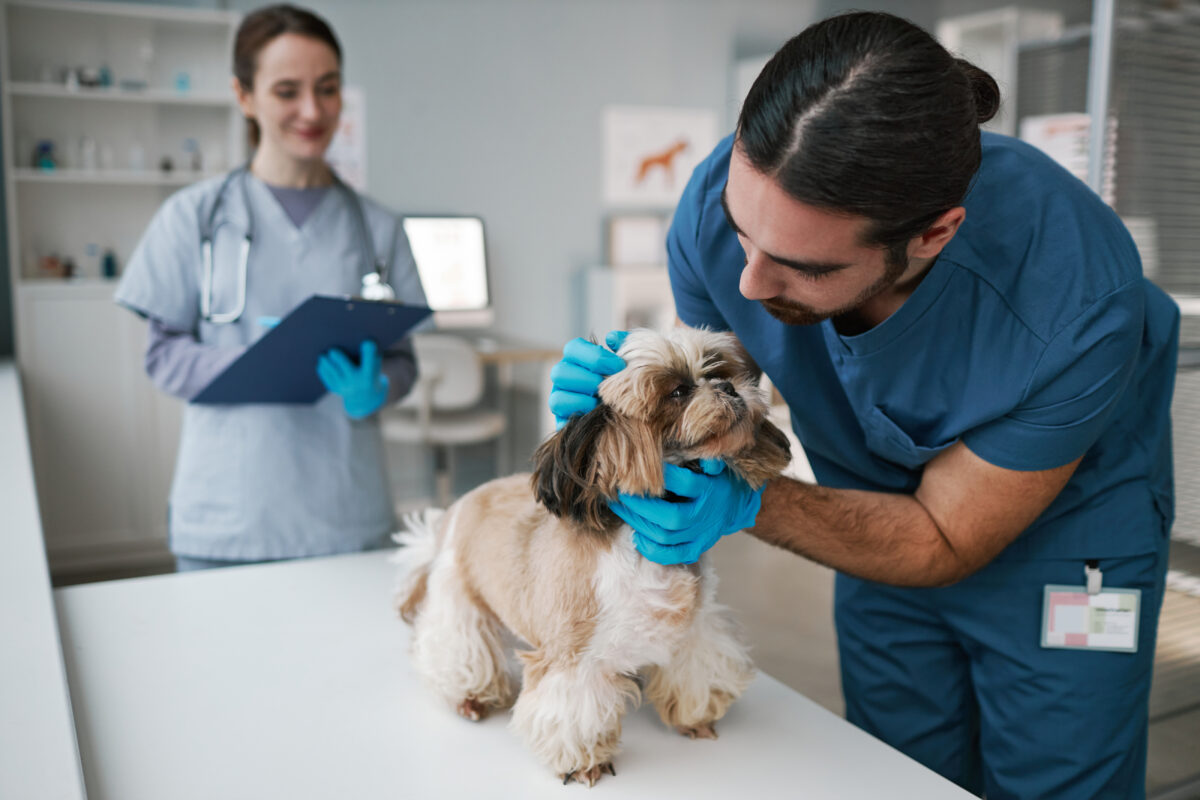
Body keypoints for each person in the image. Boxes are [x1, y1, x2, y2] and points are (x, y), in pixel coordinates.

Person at [549, 11, 1178, 800]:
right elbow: (727, 383)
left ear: (931, 236)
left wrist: (749, 501)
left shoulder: (1075, 293)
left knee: (1057, 780)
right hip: (866, 519)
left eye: (800, 266)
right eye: (743, 234)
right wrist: (644, 391)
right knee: (898, 769)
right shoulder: (723, 207)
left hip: (1066, 547)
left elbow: (945, 536)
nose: (747, 283)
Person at [115, 5, 427, 572]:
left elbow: (403, 360)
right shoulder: (193, 216)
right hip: (228, 520)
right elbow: (162, 356)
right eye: (287, 91)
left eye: (327, 89)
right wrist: (253, 363)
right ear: (245, 96)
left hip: (347, 515)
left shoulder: (379, 228)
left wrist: (377, 386)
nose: (312, 110)